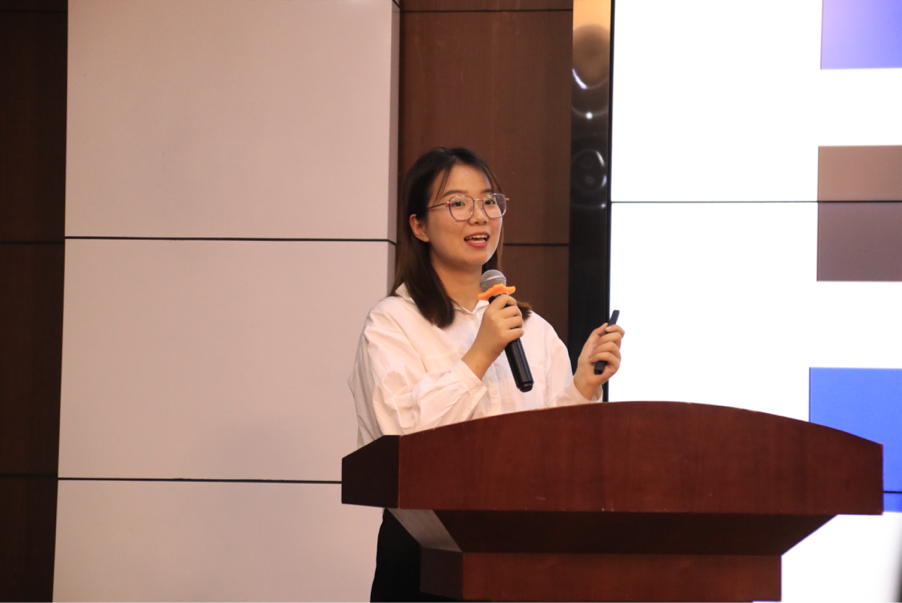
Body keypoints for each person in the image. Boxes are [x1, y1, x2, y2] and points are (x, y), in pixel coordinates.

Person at [349, 147, 624, 602]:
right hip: (427, 552)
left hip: (523, 548)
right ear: (419, 226)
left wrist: (582, 387)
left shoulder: (533, 329)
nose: (480, 216)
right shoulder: (393, 323)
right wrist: (479, 354)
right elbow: (400, 444)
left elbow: (554, 454)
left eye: (489, 201)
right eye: (458, 203)